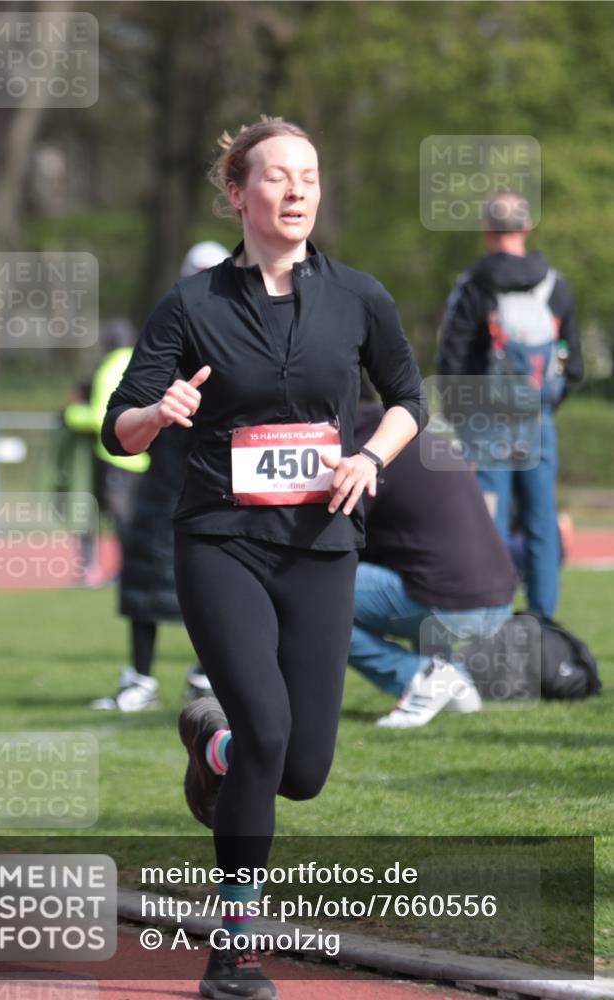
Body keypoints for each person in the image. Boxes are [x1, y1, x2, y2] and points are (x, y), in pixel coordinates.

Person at [101, 116, 426, 1000]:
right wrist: (157, 411)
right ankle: (232, 950)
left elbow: (406, 400)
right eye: (276, 177)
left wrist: (368, 457)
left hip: (321, 545)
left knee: (303, 772)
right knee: (270, 732)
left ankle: (213, 749)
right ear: (238, 194)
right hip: (220, 542)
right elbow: (118, 431)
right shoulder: (193, 304)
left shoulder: (358, 296)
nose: (295, 191)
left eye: (309, 177)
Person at [90, 243, 229, 711]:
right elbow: (125, 410)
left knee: (221, 585)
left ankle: (208, 674)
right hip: (163, 475)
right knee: (146, 579)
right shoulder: (168, 329)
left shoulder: (243, 336)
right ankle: (140, 680)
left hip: (222, 482)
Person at [437, 192, 582, 617]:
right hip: (537, 422)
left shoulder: (473, 284)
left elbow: (453, 357)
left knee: (489, 526)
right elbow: (573, 364)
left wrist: (458, 415)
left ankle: (493, 620)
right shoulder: (555, 286)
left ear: (486, 230)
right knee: (541, 525)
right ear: (526, 227)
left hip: (484, 424)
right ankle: (544, 627)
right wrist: (545, 404)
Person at [349, 399, 517, 728]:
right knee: (423, 567)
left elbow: (343, 535)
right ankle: (454, 682)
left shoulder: (366, 448)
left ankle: (416, 676)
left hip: (450, 602)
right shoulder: (417, 435)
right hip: (499, 600)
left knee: (311, 599)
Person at [64, 318, 149, 585]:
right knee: (131, 517)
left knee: (120, 518)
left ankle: (125, 571)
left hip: (114, 456)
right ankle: (130, 569)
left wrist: (72, 415)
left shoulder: (109, 368)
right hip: (142, 457)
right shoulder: (141, 362)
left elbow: (104, 418)